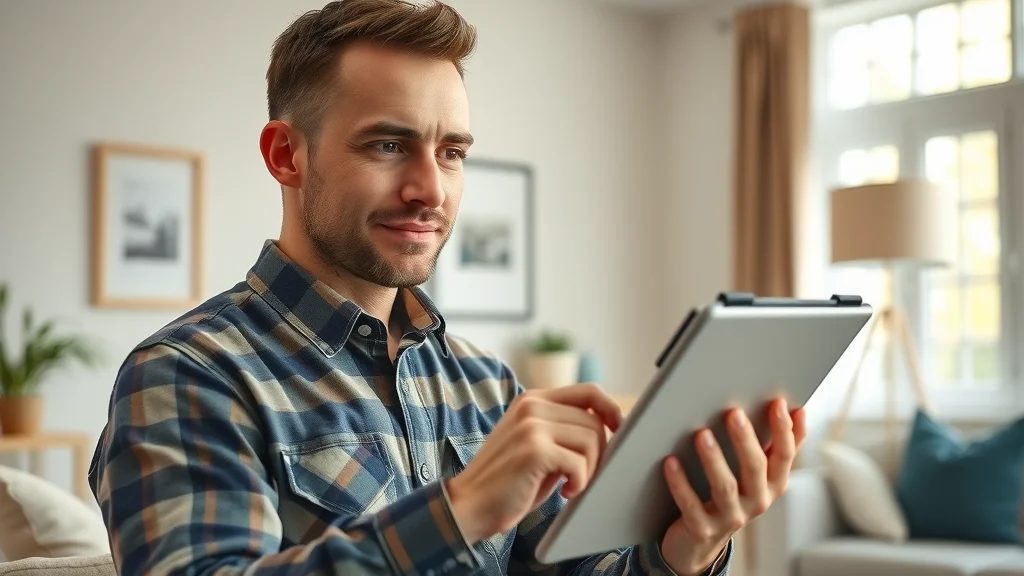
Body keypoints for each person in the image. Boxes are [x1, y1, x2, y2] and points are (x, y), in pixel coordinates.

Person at [88, 1, 807, 575]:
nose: (431, 189)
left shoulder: (483, 383)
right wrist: (457, 511)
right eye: (388, 144)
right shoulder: (188, 376)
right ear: (287, 155)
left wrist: (683, 549)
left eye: (452, 152)